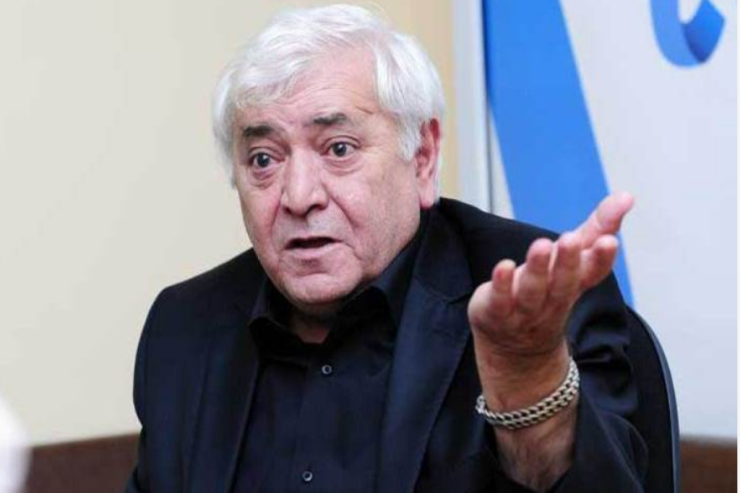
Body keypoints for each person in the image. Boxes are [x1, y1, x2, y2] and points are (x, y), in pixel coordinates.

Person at [126, 5, 647, 492]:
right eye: (264, 159)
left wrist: (528, 382)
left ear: (422, 158)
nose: (299, 196)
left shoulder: (535, 294)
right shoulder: (185, 328)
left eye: (339, 149)